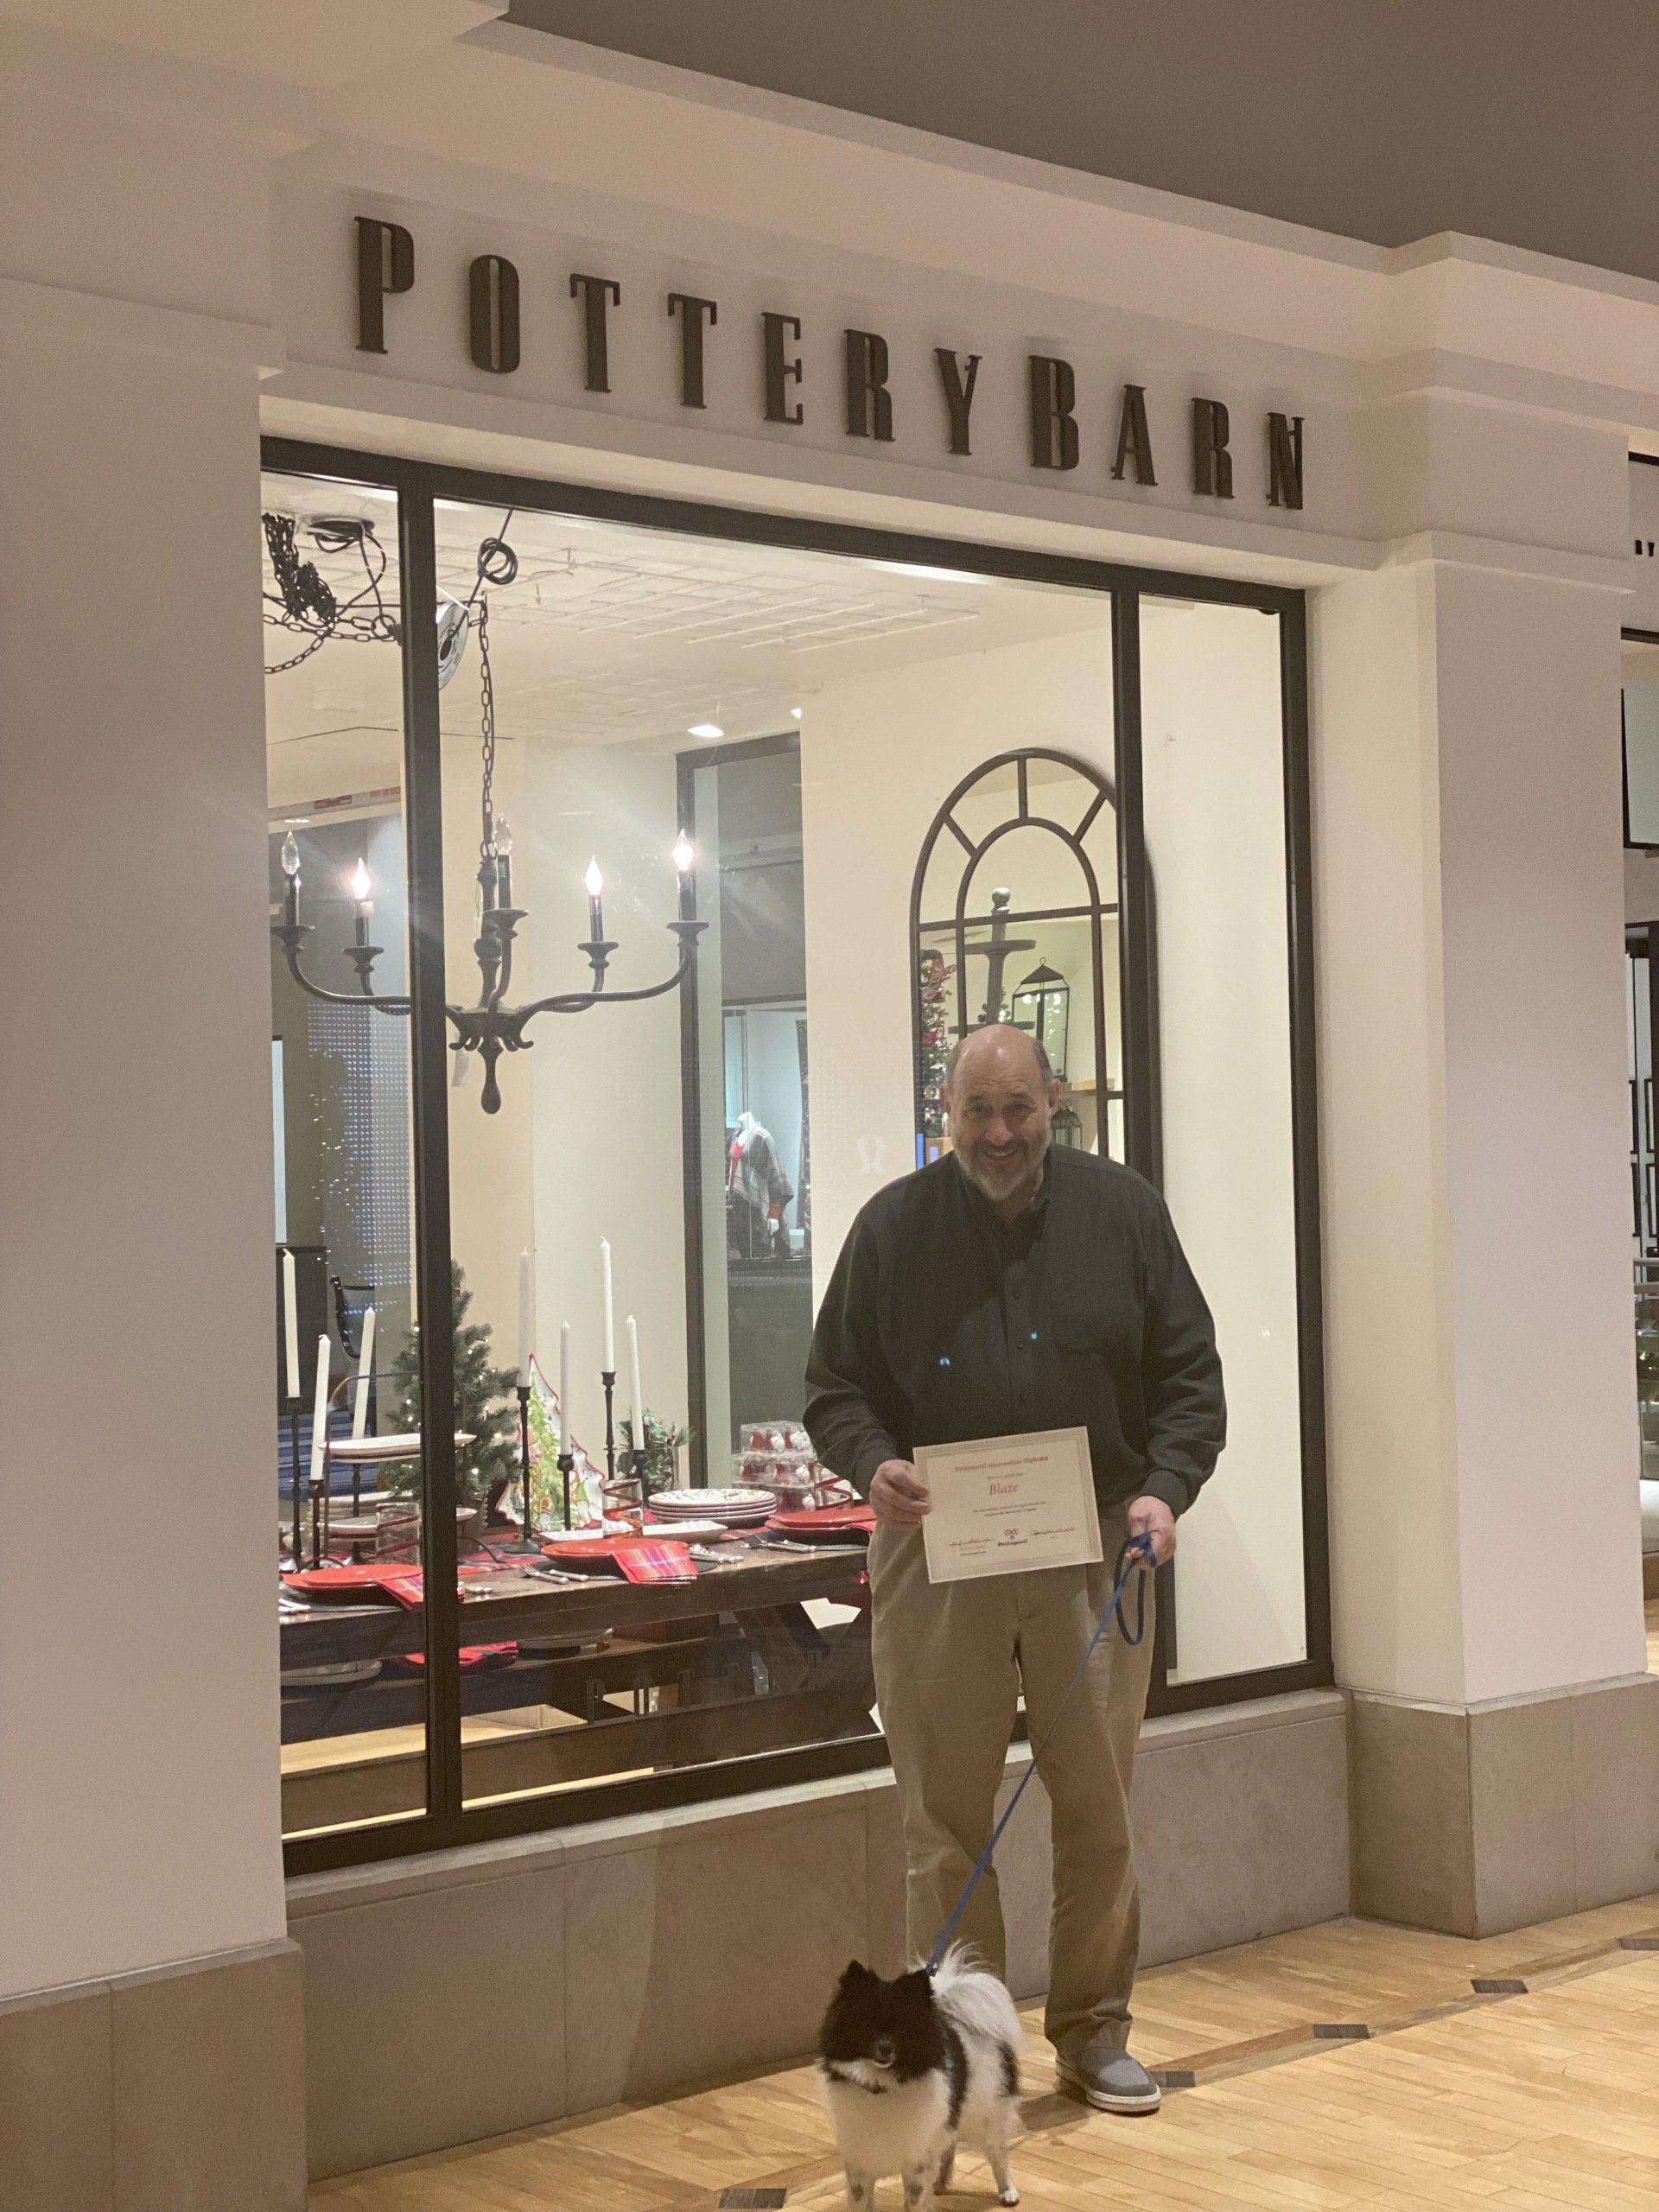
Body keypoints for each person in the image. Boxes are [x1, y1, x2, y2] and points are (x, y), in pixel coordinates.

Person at [804, 1023, 1224, 2115]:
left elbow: (1191, 1379)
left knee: (1099, 1809)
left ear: (1055, 1103)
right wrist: (872, 1463)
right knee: (942, 1822)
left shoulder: (1125, 1213)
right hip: (934, 1552)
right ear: (946, 1112)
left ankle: (1095, 2032)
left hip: (1092, 1547)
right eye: (977, 1113)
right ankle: (967, 2060)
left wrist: (1163, 1491)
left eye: (1019, 1110)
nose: (998, 1134)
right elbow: (832, 1387)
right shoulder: (891, 1230)